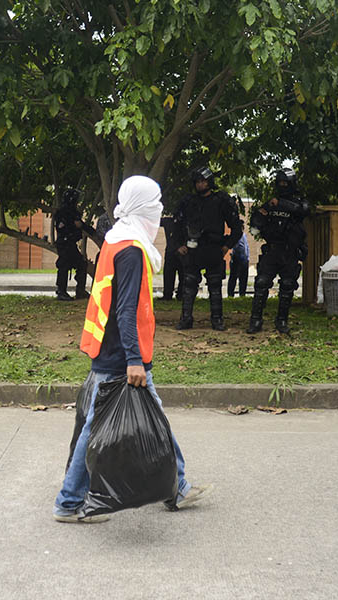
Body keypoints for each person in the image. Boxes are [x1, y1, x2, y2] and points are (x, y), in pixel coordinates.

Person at [53, 175, 213, 523]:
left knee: (148, 417)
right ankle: (68, 502)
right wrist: (134, 361)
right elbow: (126, 311)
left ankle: (179, 487)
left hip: (107, 350)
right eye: (155, 204)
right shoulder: (132, 250)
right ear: (143, 208)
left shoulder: (115, 239)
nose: (159, 211)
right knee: (102, 425)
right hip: (120, 357)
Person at [174, 166, 243, 330]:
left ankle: (217, 319)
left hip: (213, 248)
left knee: (215, 285)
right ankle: (186, 319)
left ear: (210, 182)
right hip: (192, 248)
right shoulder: (188, 201)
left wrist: (227, 246)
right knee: (189, 285)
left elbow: (236, 227)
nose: (200, 185)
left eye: (203, 181)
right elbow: (176, 224)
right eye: (197, 182)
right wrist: (179, 245)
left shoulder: (221, 200)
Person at [246, 168, 310, 334]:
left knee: (287, 286)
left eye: (285, 183)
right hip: (272, 251)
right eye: (280, 183)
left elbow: (304, 211)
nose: (282, 186)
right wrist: (259, 219)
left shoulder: (299, 202)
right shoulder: (271, 203)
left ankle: (282, 321)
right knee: (261, 283)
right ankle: (255, 320)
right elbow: (257, 219)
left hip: (290, 252)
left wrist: (281, 204)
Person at [53, 188, 92, 301]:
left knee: (81, 264)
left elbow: (80, 225)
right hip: (65, 243)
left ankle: (80, 291)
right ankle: (61, 291)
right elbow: (67, 228)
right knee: (64, 265)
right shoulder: (64, 213)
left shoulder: (70, 212)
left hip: (70, 243)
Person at [159, 213, 184, 301]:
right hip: (175, 250)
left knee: (180, 273)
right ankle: (172, 294)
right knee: (171, 273)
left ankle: (173, 295)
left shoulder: (169, 222)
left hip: (178, 250)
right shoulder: (168, 221)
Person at [227, 232, 249, 297]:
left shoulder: (244, 235)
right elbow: (236, 248)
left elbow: (246, 247)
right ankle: (230, 294)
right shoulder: (236, 236)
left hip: (244, 259)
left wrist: (247, 258)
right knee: (233, 277)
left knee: (243, 278)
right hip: (236, 259)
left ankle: (242, 294)